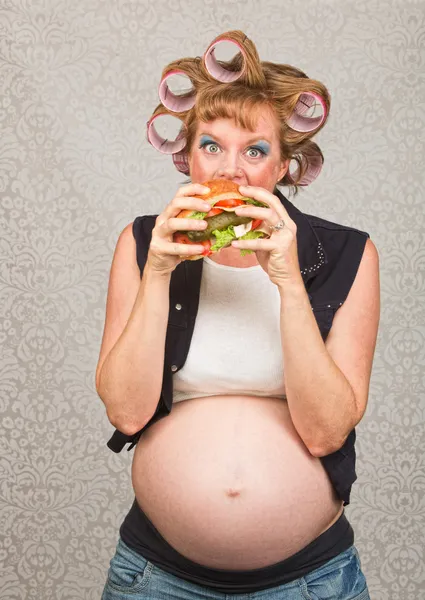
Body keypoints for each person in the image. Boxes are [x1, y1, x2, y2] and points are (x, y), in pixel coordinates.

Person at [96, 30, 379, 599]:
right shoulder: (142, 241)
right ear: (188, 157)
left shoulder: (347, 255)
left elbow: (327, 433)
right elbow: (127, 413)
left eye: (255, 150)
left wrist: (286, 281)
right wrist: (155, 271)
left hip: (310, 582)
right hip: (157, 579)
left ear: (282, 166)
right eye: (211, 146)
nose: (232, 170)